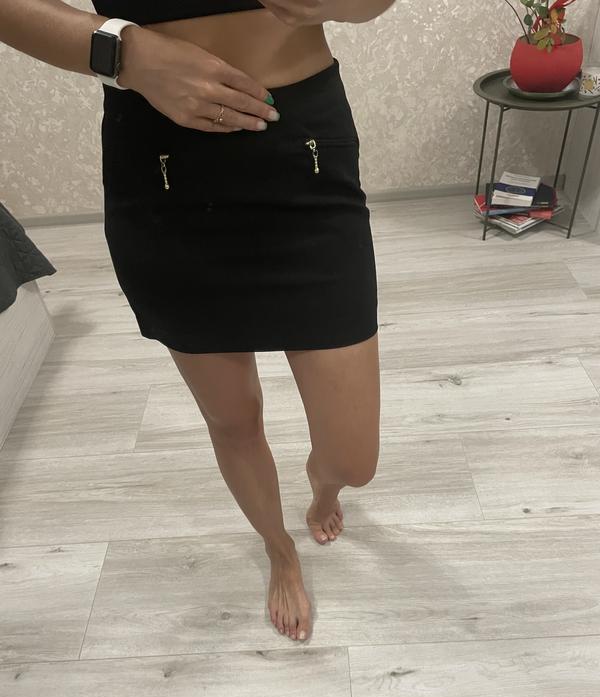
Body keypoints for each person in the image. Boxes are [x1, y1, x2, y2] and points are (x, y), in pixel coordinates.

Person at [1, 0, 393, 644]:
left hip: (300, 143)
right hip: (161, 160)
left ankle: (325, 487)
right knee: (233, 420)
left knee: (354, 458)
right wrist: (125, 53)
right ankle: (278, 551)